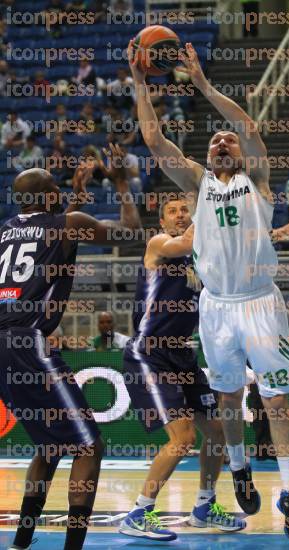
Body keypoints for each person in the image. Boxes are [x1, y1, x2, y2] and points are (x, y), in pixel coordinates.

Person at [128, 40, 289, 541]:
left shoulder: (258, 181)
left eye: (228, 141)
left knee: (275, 401)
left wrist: (204, 86)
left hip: (259, 303)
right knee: (227, 397)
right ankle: (239, 468)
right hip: (216, 307)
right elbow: (155, 140)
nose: (223, 143)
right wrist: (141, 85)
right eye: (215, 142)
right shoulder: (197, 184)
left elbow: (248, 129)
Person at [2, 144, 141, 550]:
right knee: (88, 446)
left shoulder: (5, 229)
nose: (63, 193)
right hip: (28, 340)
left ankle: (22, 541)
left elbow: (49, 238)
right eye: (57, 190)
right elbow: (130, 231)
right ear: (48, 198)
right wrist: (119, 182)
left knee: (49, 445)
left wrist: (73, 201)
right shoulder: (67, 223)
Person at [120, 196, 245, 540]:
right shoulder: (159, 244)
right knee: (183, 438)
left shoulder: (199, 262)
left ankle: (204, 507)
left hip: (183, 356)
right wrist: (208, 203)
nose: (180, 215)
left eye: (184, 210)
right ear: (162, 222)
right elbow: (189, 240)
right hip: (150, 353)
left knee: (217, 431)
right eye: (172, 211)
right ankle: (139, 511)